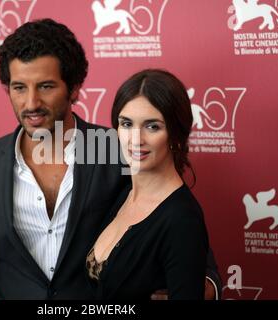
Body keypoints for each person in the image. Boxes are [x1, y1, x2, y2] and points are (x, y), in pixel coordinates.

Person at [0, 18, 221, 300]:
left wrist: (195, 290)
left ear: (74, 88)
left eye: (46, 86)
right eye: (19, 87)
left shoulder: (119, 149)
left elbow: (187, 242)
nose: (31, 103)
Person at [86, 69, 210, 299]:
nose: (135, 139)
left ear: (176, 135)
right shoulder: (121, 193)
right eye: (126, 124)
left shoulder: (182, 219)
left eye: (152, 126)